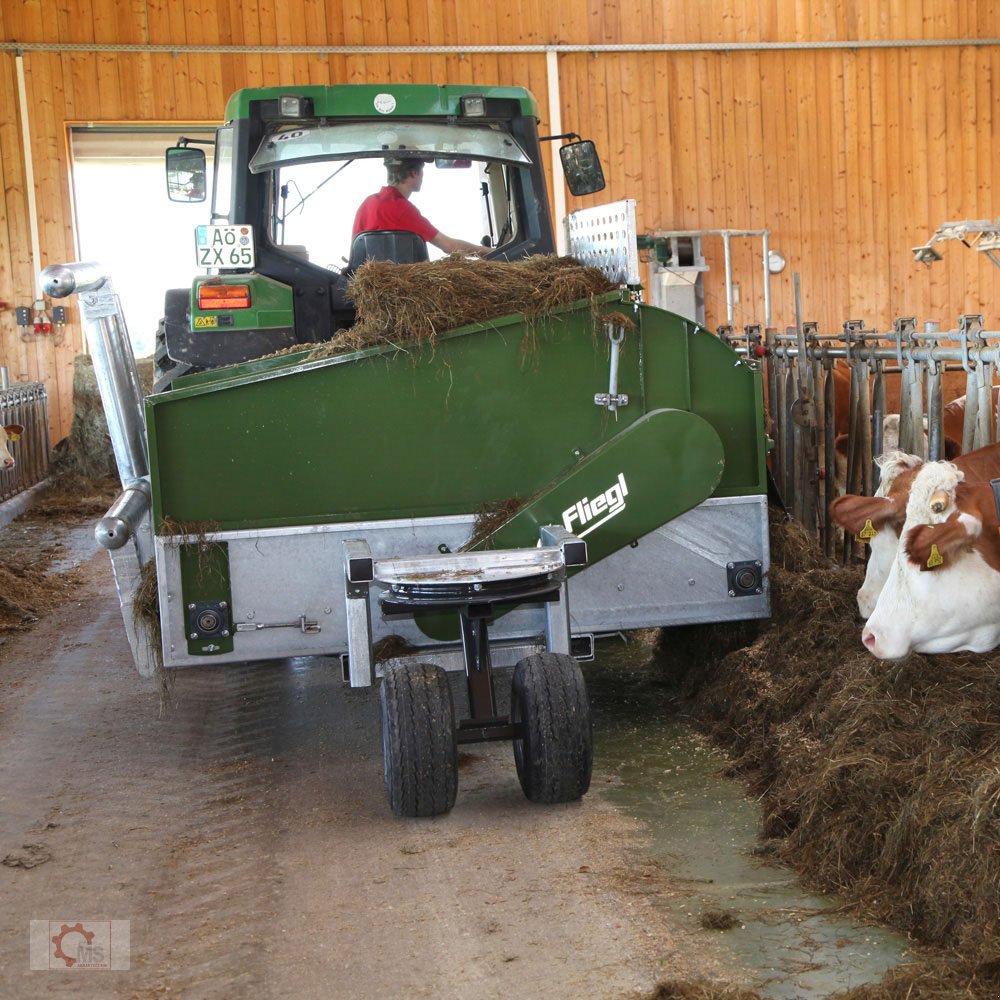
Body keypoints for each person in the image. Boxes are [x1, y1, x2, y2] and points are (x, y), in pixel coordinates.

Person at [352, 158, 488, 257]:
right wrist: (491, 252)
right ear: (414, 173)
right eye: (422, 169)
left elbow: (355, 253)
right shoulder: (401, 208)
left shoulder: (367, 203)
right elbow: (449, 246)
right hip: (400, 289)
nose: (423, 176)